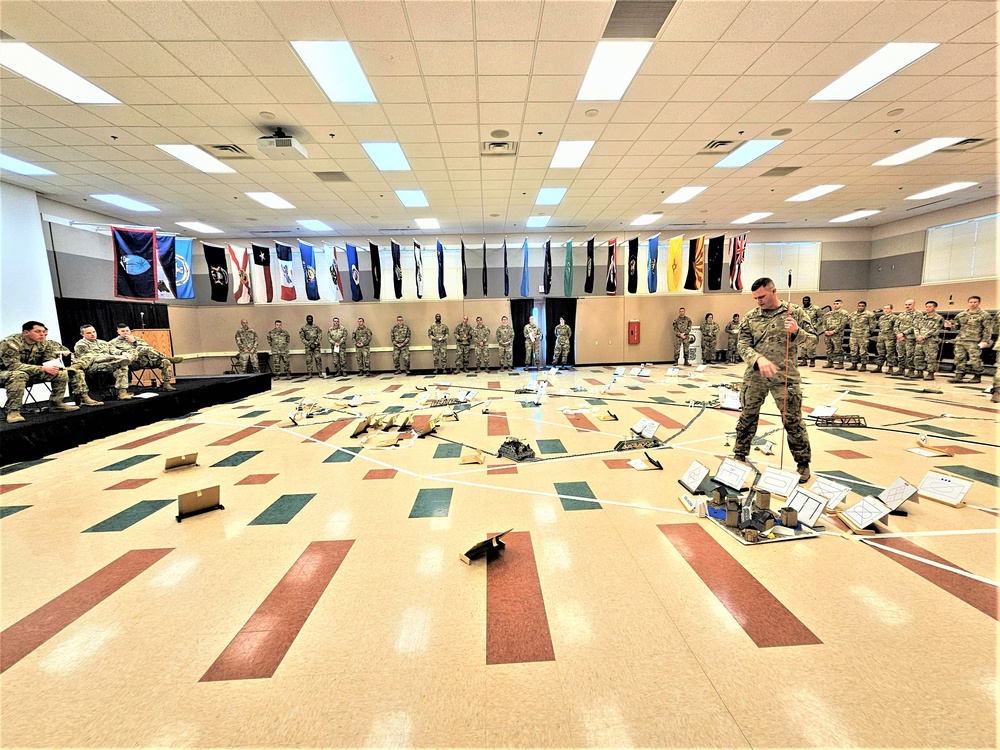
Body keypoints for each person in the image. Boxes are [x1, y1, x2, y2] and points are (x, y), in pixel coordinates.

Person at [735, 278, 816, 483]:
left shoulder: (794, 312)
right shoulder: (751, 317)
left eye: (761, 296)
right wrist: (758, 359)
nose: (758, 301)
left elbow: (813, 341)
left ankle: (803, 464)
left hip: (785, 376)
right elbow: (742, 346)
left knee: (793, 422)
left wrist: (797, 331)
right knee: (748, 416)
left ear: (773, 291)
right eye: (755, 298)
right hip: (756, 375)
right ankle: (739, 455)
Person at [1, 321, 84, 423]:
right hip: (5, 372)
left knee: (60, 372)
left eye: (43, 331)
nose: (42, 334)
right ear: (26, 332)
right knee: (18, 375)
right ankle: (13, 412)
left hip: (29, 372)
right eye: (38, 331)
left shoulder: (44, 343)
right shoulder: (10, 343)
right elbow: (14, 366)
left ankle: (56, 404)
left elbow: (47, 361)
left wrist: (54, 366)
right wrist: (42, 369)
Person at [110, 323, 182, 390]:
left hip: (145, 360)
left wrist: (134, 341)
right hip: (131, 363)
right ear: (118, 332)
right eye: (123, 331)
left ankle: (166, 384)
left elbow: (149, 348)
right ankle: (166, 357)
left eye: (127, 330)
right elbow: (112, 353)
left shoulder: (136, 339)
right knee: (144, 349)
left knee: (165, 361)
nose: (125, 332)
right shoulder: (113, 342)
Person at [75, 324, 132, 400]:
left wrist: (122, 353)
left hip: (108, 363)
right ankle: (121, 391)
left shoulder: (102, 342)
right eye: (89, 333)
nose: (92, 334)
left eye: (94, 332)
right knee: (120, 364)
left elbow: (112, 350)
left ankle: (122, 392)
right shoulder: (81, 345)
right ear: (82, 334)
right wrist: (111, 357)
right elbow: (91, 358)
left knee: (122, 365)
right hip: (92, 366)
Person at [946, 295, 992, 384]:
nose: (973, 304)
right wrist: (950, 326)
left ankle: (977, 375)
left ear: (979, 303)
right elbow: (956, 327)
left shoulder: (984, 315)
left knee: (975, 359)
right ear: (968, 303)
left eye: (975, 302)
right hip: (961, 340)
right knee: (959, 358)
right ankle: (959, 375)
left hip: (974, 341)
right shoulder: (961, 315)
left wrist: (985, 341)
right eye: (971, 302)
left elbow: (987, 329)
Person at [911, 301, 944, 381]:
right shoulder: (922, 317)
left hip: (931, 341)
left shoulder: (938, 318)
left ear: (935, 308)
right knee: (918, 357)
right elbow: (915, 327)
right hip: (919, 341)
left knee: (931, 358)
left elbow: (935, 329)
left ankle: (930, 373)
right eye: (926, 306)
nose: (927, 308)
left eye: (930, 307)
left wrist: (923, 336)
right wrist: (918, 335)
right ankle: (919, 372)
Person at [846, 301, 875, 372]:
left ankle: (863, 365)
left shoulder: (869, 314)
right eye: (859, 306)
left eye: (862, 306)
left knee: (863, 351)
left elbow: (872, 325)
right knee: (853, 350)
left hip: (863, 335)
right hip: (854, 335)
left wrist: (867, 332)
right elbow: (850, 324)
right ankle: (854, 364)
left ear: (865, 306)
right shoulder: (853, 314)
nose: (860, 307)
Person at [821, 300, 849, 369]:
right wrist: (825, 330)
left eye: (837, 304)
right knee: (829, 349)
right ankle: (830, 362)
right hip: (828, 334)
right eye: (834, 304)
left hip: (837, 334)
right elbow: (824, 323)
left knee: (838, 349)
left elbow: (843, 324)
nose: (835, 305)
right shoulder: (828, 314)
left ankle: (840, 363)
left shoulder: (844, 313)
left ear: (841, 304)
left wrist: (834, 331)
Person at [893, 299, 918, 377]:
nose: (907, 306)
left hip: (910, 338)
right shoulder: (901, 315)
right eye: (906, 304)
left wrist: (903, 333)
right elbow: (896, 326)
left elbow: (915, 326)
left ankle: (911, 370)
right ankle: (901, 369)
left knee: (910, 354)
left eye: (909, 304)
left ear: (914, 305)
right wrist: (898, 334)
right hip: (900, 338)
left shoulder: (917, 314)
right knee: (900, 354)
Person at [874, 305, 897, 374]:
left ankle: (890, 367)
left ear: (891, 309)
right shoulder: (882, 317)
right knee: (880, 352)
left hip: (890, 337)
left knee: (890, 353)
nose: (886, 310)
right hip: (881, 337)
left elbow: (896, 327)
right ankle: (879, 366)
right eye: (884, 309)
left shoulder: (894, 318)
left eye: (887, 308)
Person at [798, 297, 820, 367]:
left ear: (810, 301)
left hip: (811, 330)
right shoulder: (801, 309)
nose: (805, 302)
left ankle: (812, 360)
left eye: (806, 300)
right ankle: (804, 360)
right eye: (804, 300)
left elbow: (821, 318)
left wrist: (816, 325)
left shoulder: (815, 308)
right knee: (802, 344)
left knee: (811, 345)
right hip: (803, 329)